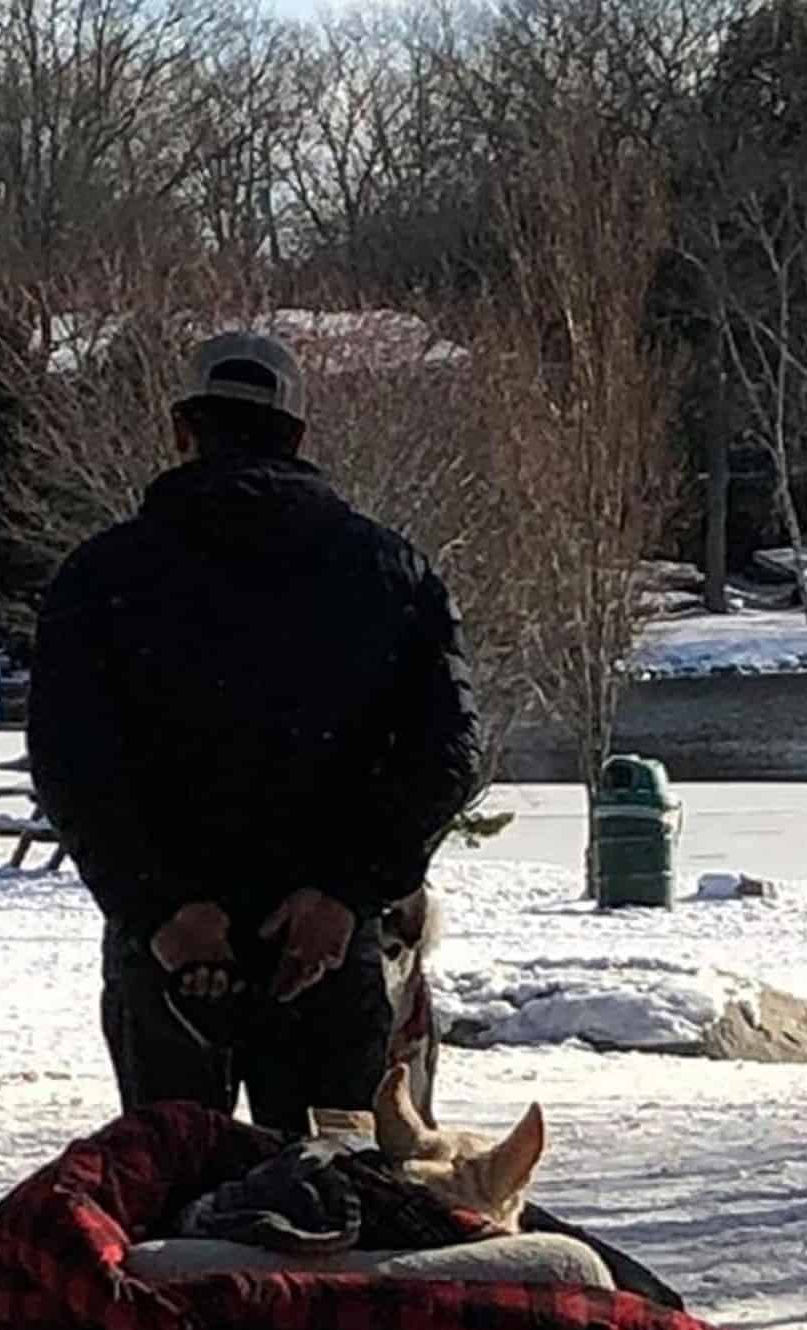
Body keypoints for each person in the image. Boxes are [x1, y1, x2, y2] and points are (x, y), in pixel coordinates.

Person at [27, 329, 479, 1138]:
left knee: (168, 1202)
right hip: (328, 955)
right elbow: (446, 756)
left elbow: (72, 766)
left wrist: (163, 909)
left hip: (171, 957)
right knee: (339, 1207)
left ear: (181, 430)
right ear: (300, 438)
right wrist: (344, 894)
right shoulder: (390, 572)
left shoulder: (100, 576)